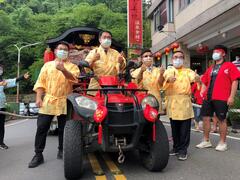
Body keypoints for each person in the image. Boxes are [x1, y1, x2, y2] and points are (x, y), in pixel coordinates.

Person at [28, 41, 80, 168]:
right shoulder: (47, 66)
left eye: (65, 50)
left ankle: (62, 150)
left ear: (68, 53)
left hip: (65, 100)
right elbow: (41, 83)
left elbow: (74, 79)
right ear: (55, 51)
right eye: (60, 49)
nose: (63, 51)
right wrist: (39, 97)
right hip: (49, 100)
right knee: (42, 127)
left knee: (64, 129)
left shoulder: (73, 66)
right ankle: (38, 154)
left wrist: (63, 70)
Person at [196, 45, 240, 151]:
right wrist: (202, 92)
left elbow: (235, 81)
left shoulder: (229, 65)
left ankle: (222, 142)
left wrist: (231, 96)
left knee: (221, 119)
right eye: (214, 51)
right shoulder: (210, 68)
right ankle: (206, 140)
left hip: (222, 97)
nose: (215, 53)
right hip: (208, 98)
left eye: (217, 51)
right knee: (206, 118)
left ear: (223, 53)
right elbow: (204, 81)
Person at [160, 50, 200, 161]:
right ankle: (176, 147)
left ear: (183, 59)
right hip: (173, 102)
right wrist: (168, 79)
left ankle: (183, 150)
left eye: (180, 57)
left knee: (184, 129)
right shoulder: (169, 70)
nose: (178, 59)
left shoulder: (188, 71)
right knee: (174, 128)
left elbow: (194, 77)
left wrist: (197, 78)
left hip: (184, 103)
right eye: (176, 57)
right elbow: (166, 77)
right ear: (172, 59)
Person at [85, 30, 126, 96]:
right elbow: (86, 69)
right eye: (104, 37)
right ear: (100, 40)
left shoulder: (116, 53)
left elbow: (122, 68)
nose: (107, 39)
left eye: (109, 38)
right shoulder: (94, 52)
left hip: (113, 85)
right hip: (96, 85)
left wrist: (121, 62)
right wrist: (93, 60)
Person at [0, 67, 29, 150]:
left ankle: (1, 143)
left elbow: (11, 81)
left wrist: (22, 77)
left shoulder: (2, 81)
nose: (1, 70)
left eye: (1, 68)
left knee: (1, 126)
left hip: (1, 107)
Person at [131, 49, 165, 114]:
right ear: (141, 59)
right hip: (143, 101)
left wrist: (161, 74)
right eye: (146, 56)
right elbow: (136, 85)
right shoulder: (136, 72)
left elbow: (161, 84)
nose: (148, 58)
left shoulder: (158, 70)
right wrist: (141, 72)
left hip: (156, 101)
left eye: (150, 56)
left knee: (156, 122)